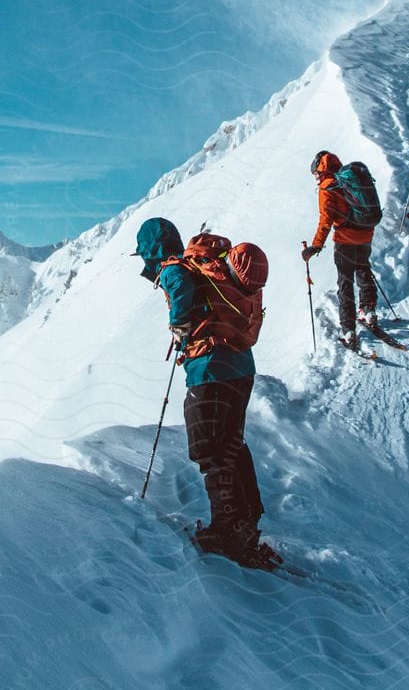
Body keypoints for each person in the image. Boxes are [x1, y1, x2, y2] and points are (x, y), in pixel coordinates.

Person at [134, 217, 276, 569]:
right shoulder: (208, 267)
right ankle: (246, 521)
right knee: (231, 444)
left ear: (152, 250)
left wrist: (179, 325)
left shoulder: (175, 267)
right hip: (242, 366)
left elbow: (178, 287)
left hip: (210, 369)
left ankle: (227, 531)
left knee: (209, 449)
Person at [300, 151, 382, 351]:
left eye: (316, 173)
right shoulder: (349, 179)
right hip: (366, 234)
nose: (316, 177)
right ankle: (369, 310)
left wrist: (316, 245)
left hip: (345, 239)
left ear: (320, 168)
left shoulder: (327, 186)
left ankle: (348, 330)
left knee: (345, 281)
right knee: (364, 269)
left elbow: (326, 219)